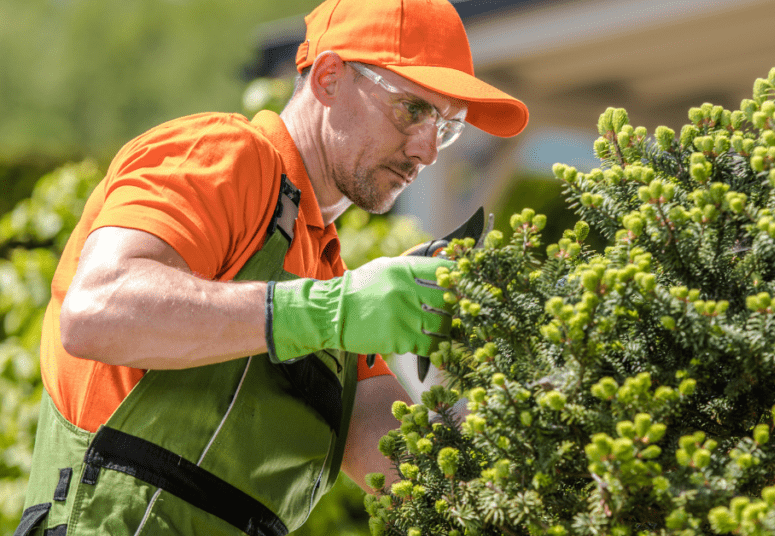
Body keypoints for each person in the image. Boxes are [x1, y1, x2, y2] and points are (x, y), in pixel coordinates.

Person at [14, 0, 528, 535]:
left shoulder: (329, 279)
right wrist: (328, 310)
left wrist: (506, 382)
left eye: (446, 127)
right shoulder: (224, 154)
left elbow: (437, 489)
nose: (427, 151)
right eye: (412, 110)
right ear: (329, 77)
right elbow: (97, 309)